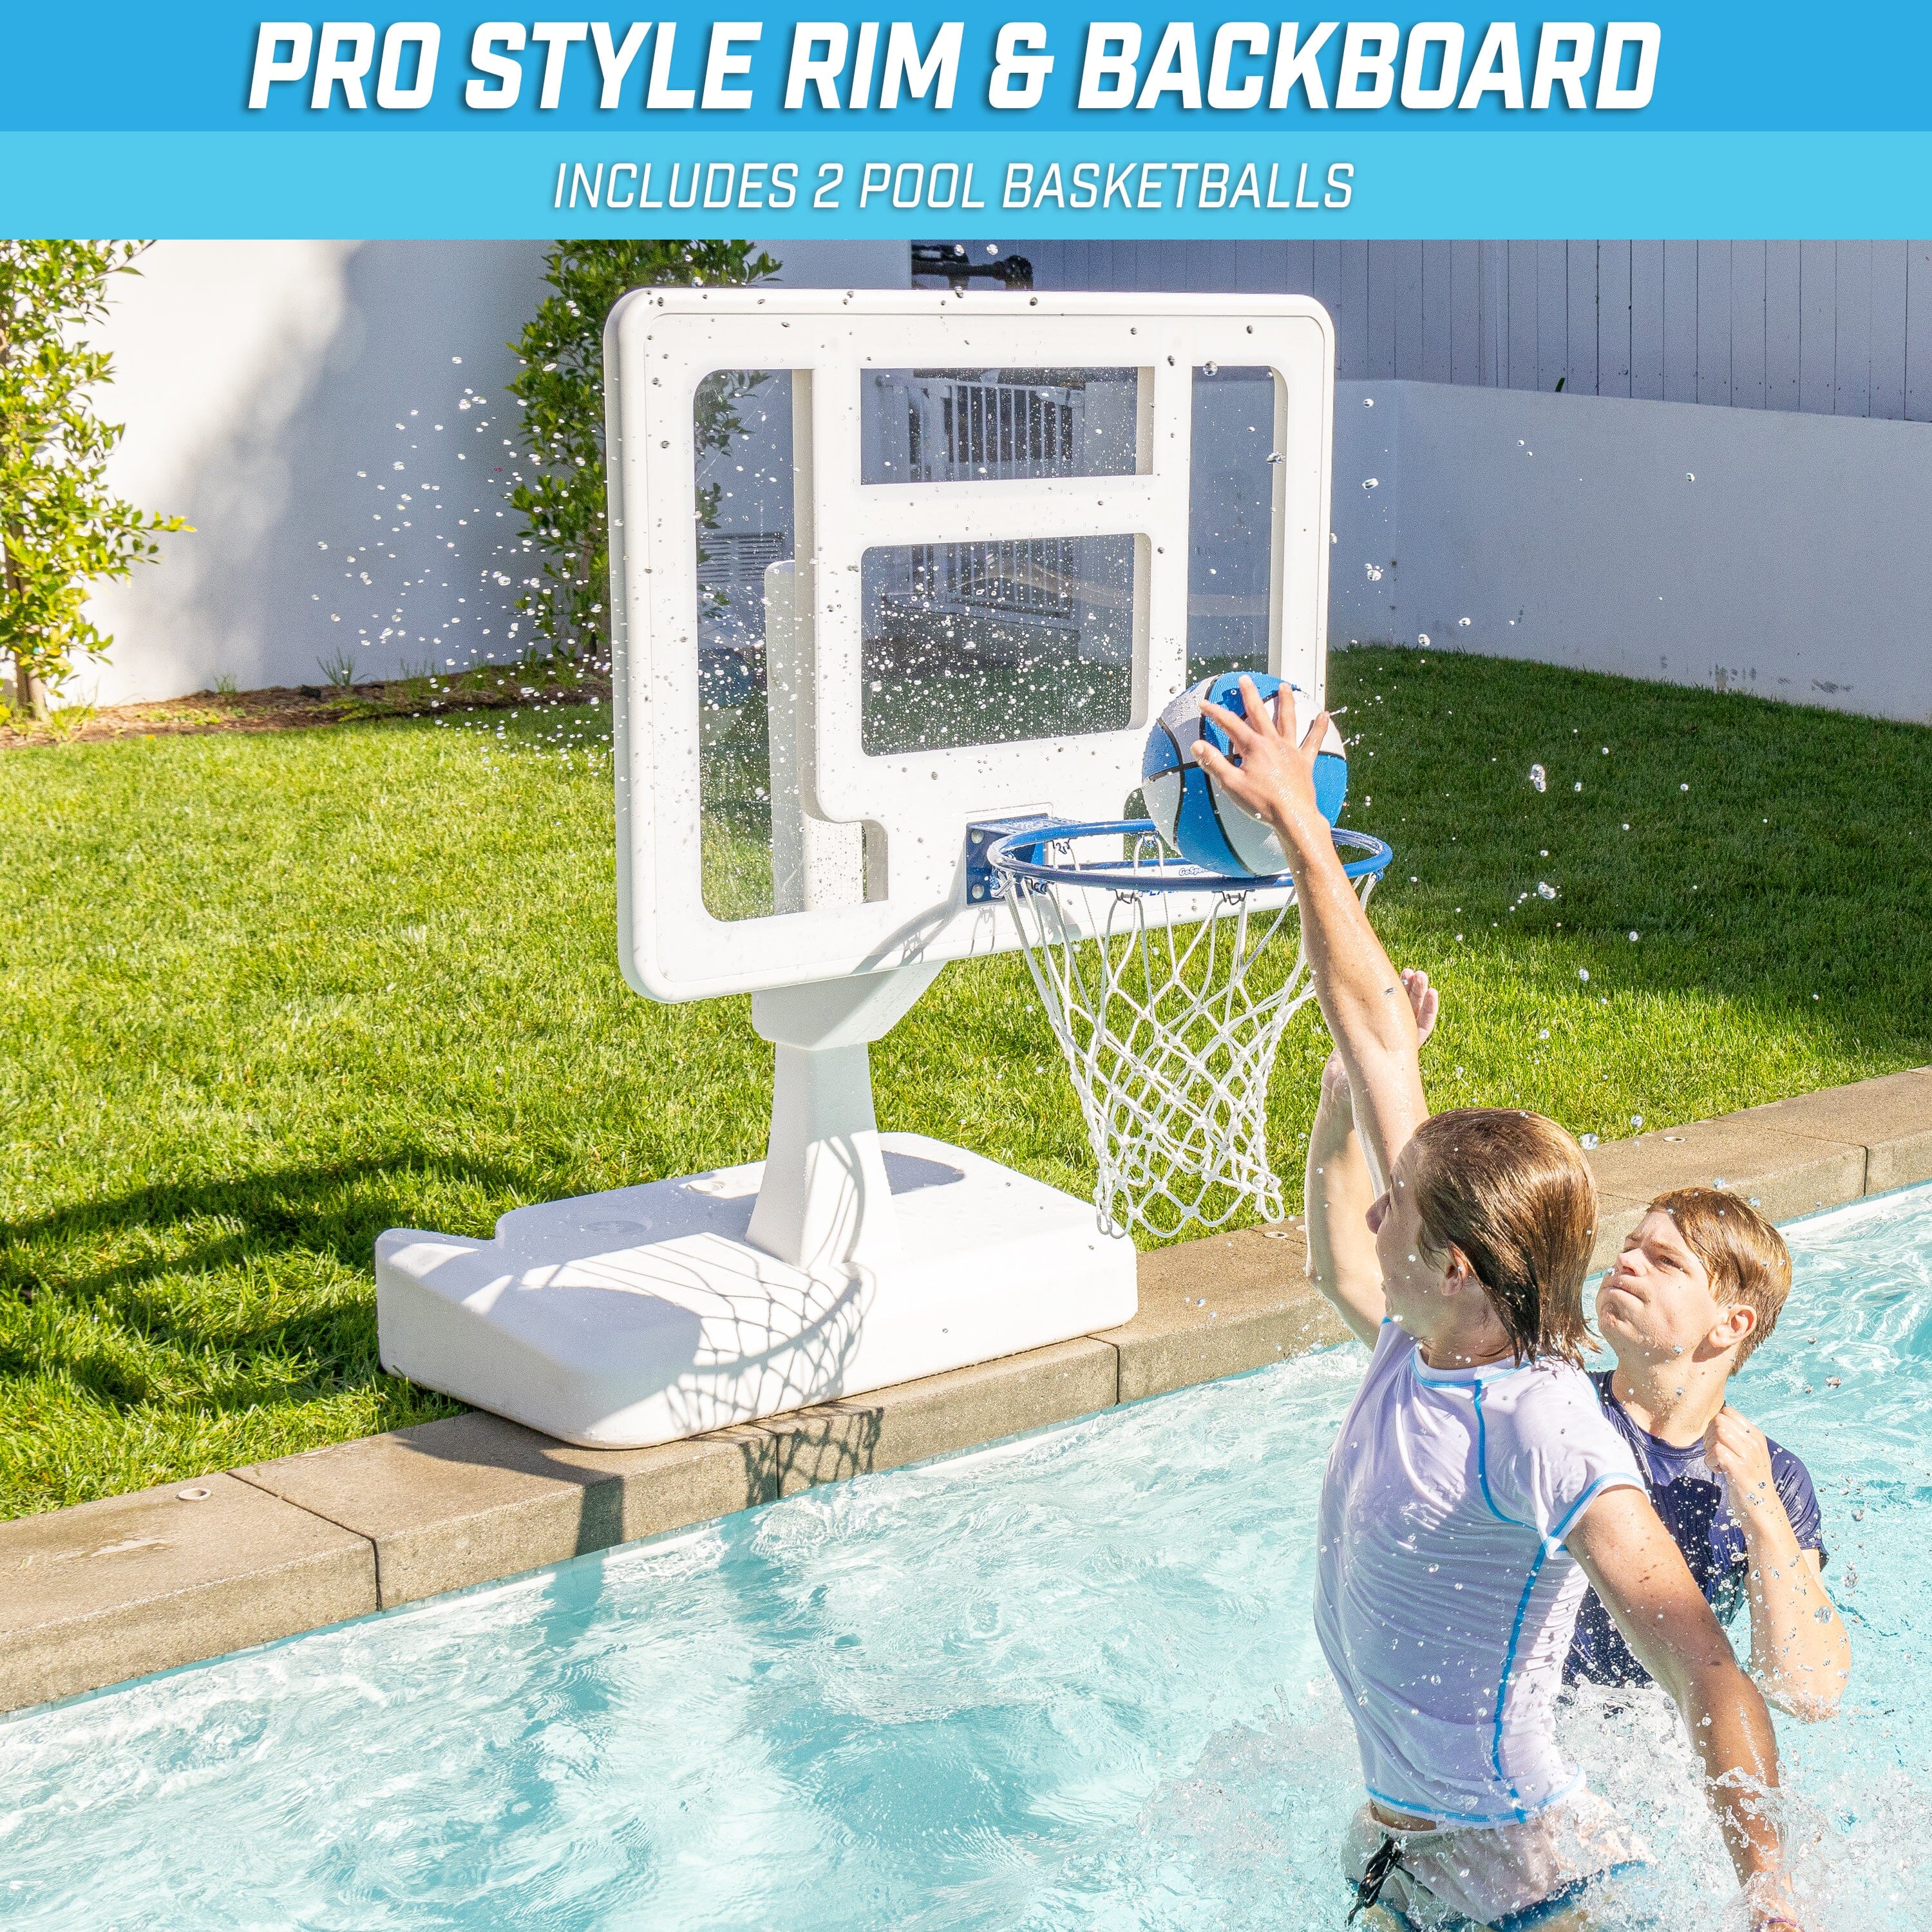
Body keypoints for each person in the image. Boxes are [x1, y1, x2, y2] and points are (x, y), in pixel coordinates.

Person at [1193, 679, 1805, 1931]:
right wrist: (1301, 830)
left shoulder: (1541, 1425)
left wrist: (1773, 1896)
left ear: (1459, 1260)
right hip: (1401, 1854)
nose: (1373, 1219)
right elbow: (1369, 1026)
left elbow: (1704, 1665)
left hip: (1526, 1890)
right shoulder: (1417, 1341)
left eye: (1394, 1210)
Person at [1573, 1189, 1850, 1718]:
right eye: (1630, 1247)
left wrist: (1762, 1511)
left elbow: (1808, 1693)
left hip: (1658, 1743)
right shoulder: (1560, 1409)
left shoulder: (1773, 1476)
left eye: (1665, 1261)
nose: (1624, 1260)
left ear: (1731, 1324)